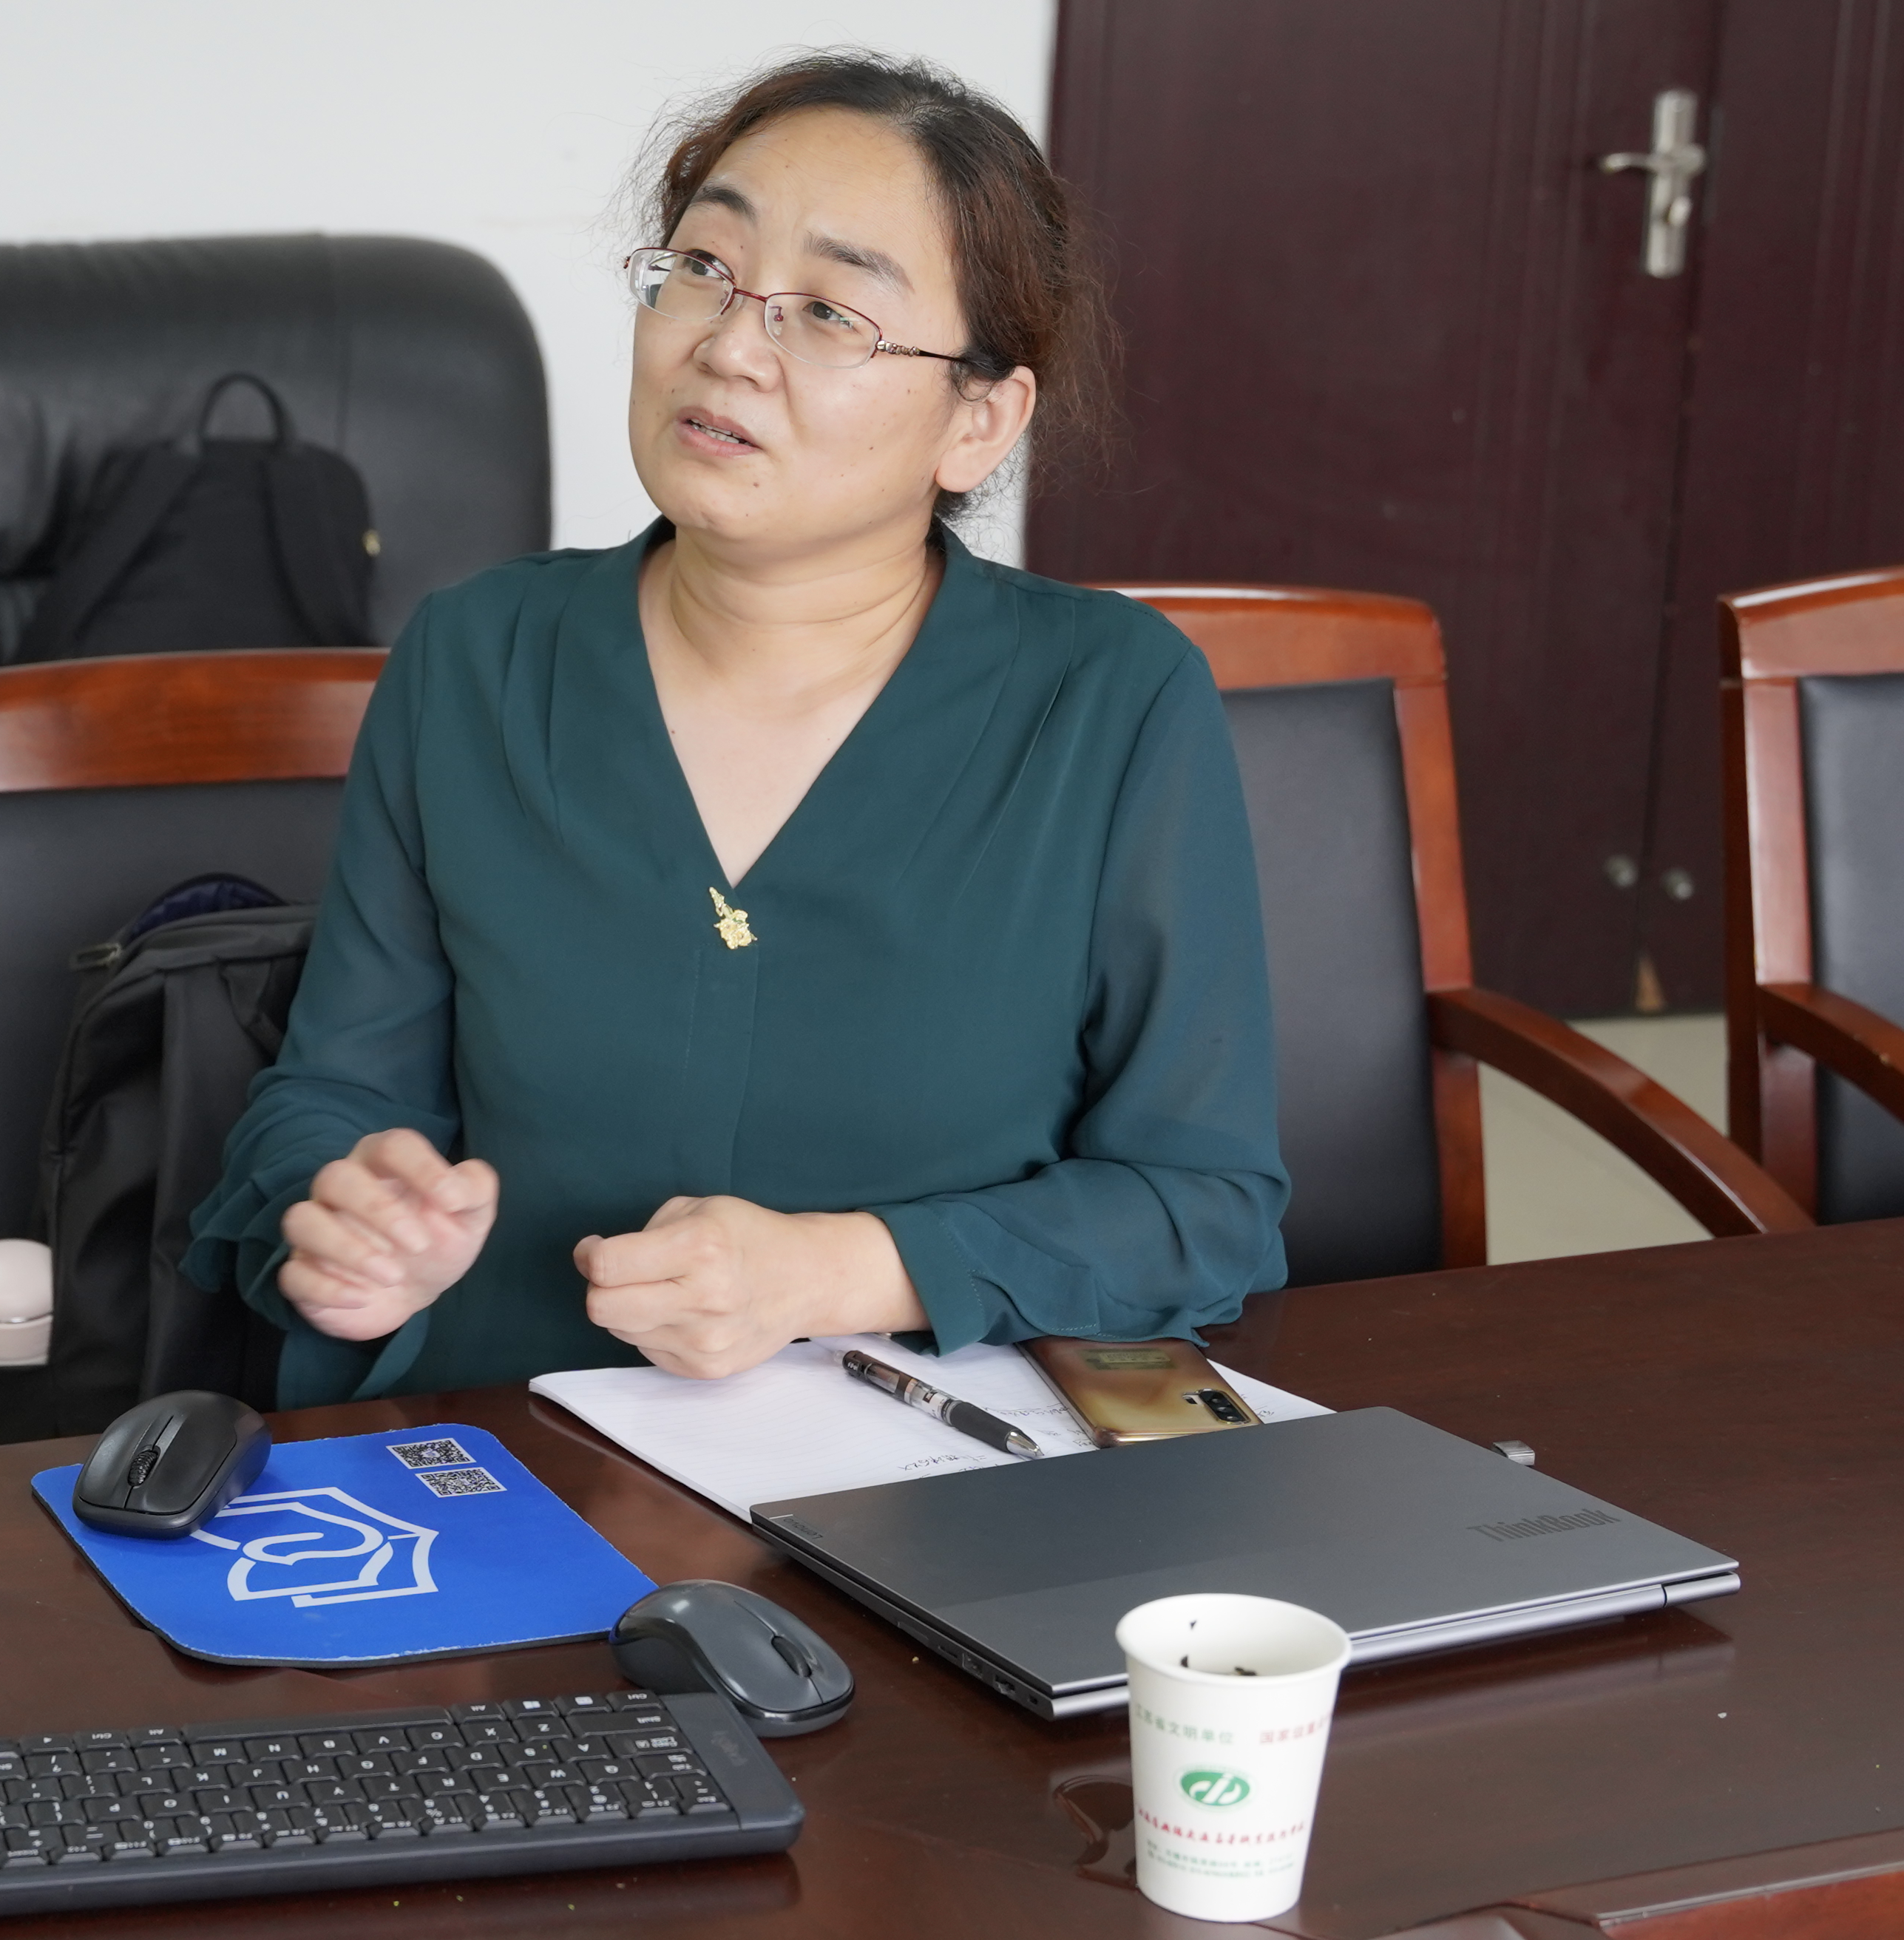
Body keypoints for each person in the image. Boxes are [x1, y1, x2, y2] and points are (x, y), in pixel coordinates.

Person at [186, 50, 1288, 1408]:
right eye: (704, 267)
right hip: (507, 1439)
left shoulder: (1110, 700)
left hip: (929, 1459)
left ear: (980, 421)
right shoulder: (479, 656)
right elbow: (335, 1099)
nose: (726, 345)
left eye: (829, 311)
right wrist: (341, 1219)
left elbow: (1204, 1206)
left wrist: (834, 1271)